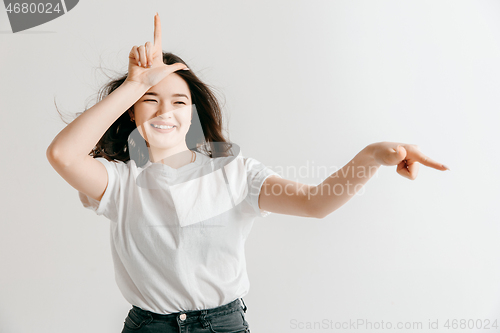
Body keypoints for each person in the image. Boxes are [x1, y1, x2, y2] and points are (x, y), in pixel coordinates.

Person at [46, 12, 449, 333]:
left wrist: (372, 155)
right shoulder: (119, 182)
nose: (165, 111)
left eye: (179, 101)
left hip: (222, 326)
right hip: (148, 327)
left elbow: (315, 204)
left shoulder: (234, 173)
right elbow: (63, 154)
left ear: (194, 114)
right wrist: (134, 84)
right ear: (132, 112)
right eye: (150, 100)